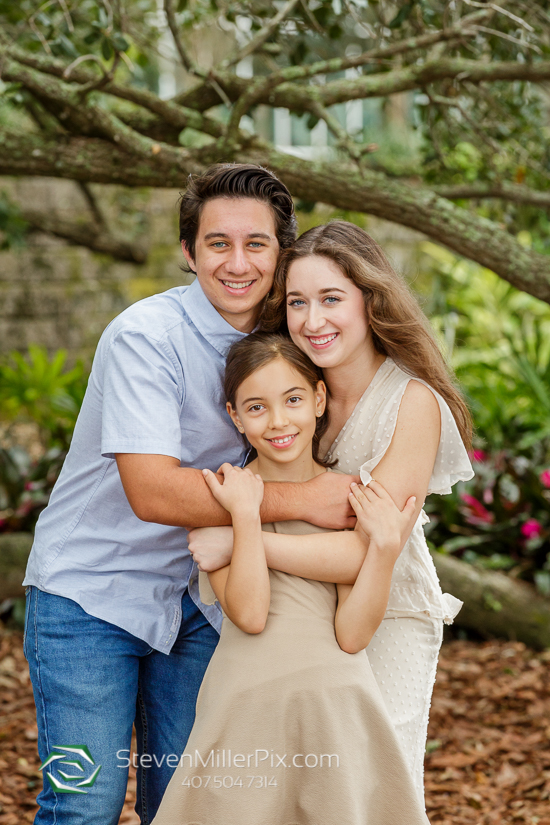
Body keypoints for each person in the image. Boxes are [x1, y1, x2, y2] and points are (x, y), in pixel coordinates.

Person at [21, 165, 357, 825]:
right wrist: (306, 502)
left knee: (187, 806)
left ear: (282, 252)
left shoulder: (292, 339)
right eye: (217, 244)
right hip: (89, 596)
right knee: (83, 804)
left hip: (197, 601)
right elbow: (150, 491)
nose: (238, 262)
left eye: (257, 244)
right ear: (189, 252)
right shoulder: (145, 336)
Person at [188, 220, 474, 804]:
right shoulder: (295, 391)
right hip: (301, 624)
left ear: (370, 300)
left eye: (331, 299)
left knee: (372, 792)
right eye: (297, 302)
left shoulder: (411, 402)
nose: (312, 321)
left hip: (385, 614)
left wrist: (243, 540)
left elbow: (356, 551)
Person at [151, 333, 430, 825]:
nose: (279, 421)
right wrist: (244, 514)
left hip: (336, 705)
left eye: (294, 399)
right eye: (256, 407)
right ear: (235, 416)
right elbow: (251, 615)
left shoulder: (348, 498)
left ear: (319, 399)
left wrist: (384, 551)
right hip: (247, 706)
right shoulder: (222, 497)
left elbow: (354, 634)